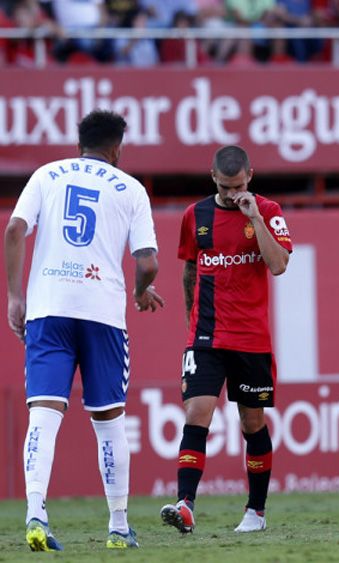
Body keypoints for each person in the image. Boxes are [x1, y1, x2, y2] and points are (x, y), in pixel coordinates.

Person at [5, 109, 162, 551]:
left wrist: (16, 297)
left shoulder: (47, 175)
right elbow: (148, 261)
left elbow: (15, 229)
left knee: (44, 413)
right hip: (102, 314)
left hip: (49, 309)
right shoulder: (130, 189)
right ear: (117, 149)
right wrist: (140, 290)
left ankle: (36, 513)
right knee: (109, 419)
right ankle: (117, 526)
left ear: (80, 145)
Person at [160, 145, 292, 535]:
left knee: (252, 423)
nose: (234, 194)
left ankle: (256, 511)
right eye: (226, 186)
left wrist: (255, 218)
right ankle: (185, 505)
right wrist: (190, 320)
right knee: (197, 412)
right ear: (212, 177)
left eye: (239, 186)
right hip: (206, 336)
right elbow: (189, 268)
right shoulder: (195, 215)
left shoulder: (269, 212)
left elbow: (279, 264)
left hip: (251, 338)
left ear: (250, 174)